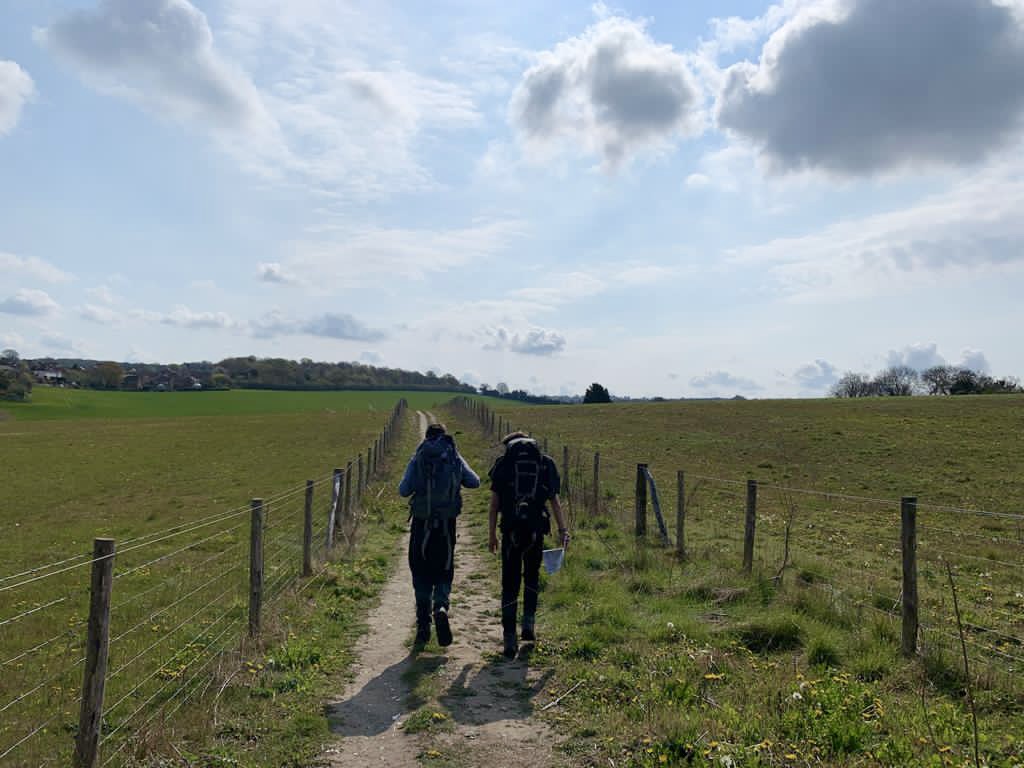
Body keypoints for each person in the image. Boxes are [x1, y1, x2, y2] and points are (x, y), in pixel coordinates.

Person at [488, 431, 569, 658]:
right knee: (532, 576)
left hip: (510, 531)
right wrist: (563, 530)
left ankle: (509, 638)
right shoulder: (544, 464)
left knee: (509, 583)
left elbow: (494, 505)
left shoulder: (503, 464)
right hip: (536, 531)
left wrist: (491, 535)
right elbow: (555, 501)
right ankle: (528, 624)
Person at [399, 423, 480, 648]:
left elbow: (403, 490)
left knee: (420, 571)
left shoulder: (419, 457)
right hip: (446, 526)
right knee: (444, 570)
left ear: (426, 437)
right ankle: (441, 606)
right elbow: (474, 482)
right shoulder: (453, 456)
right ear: (444, 436)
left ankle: (423, 626)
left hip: (421, 525)